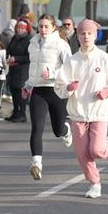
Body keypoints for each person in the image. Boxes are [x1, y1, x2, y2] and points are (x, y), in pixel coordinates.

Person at [54, 19, 108, 198]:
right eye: (83, 34)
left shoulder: (104, 59)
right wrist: (68, 88)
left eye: (89, 34)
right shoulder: (72, 61)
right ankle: (95, 184)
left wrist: (107, 91)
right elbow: (59, 85)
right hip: (78, 112)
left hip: (99, 112)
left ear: (95, 36)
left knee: (96, 150)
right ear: (78, 36)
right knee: (82, 152)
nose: (86, 37)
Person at [24, 14, 73, 181]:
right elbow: (34, 68)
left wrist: (52, 73)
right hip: (38, 90)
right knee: (36, 127)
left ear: (53, 27)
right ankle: (36, 163)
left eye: (46, 26)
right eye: (41, 26)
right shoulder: (33, 44)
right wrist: (28, 85)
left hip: (56, 90)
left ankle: (67, 131)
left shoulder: (61, 45)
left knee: (58, 131)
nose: (43, 30)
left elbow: (70, 69)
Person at [5, 19, 32, 122]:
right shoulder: (14, 38)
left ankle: (22, 114)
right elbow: (9, 49)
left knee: (21, 92)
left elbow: (29, 57)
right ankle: (15, 112)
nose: (20, 30)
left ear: (26, 30)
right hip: (13, 69)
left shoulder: (28, 40)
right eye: (18, 28)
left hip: (22, 70)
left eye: (22, 28)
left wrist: (16, 59)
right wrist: (8, 58)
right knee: (13, 91)